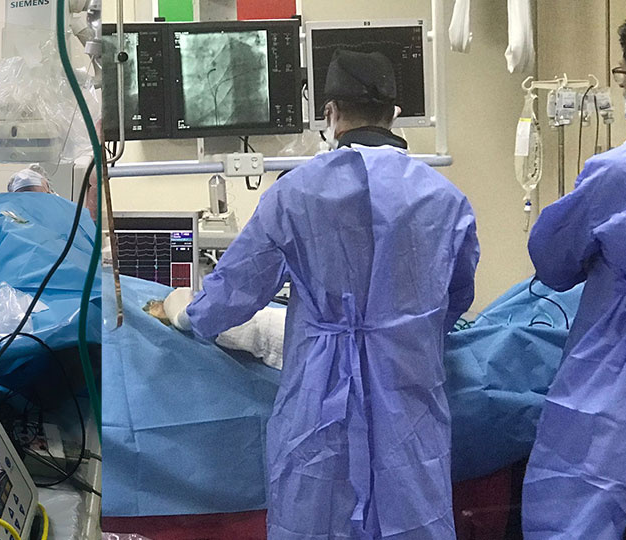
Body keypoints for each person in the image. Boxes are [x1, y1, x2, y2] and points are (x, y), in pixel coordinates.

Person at [163, 49, 479, 539]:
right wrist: (403, 330)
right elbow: (455, 299)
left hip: (319, 392)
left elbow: (236, 290)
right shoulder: (445, 198)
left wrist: (185, 312)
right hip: (408, 391)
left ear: (330, 113)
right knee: (411, 513)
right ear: (394, 114)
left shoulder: (295, 193)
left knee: (314, 515)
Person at [521, 9, 626, 538]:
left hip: (620, 383)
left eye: (623, 77)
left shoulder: (620, 172)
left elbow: (553, 263)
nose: (621, 88)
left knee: (576, 512)